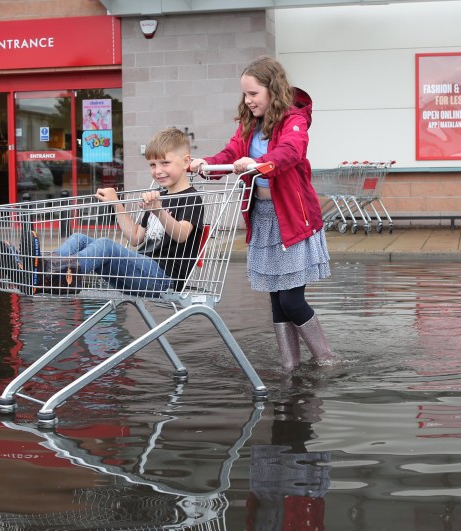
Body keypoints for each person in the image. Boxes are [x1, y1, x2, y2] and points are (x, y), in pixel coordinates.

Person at [189, 56, 336, 369]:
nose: (248, 100)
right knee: (276, 300)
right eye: (245, 94)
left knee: (291, 300)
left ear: (273, 90)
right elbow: (230, 153)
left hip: (293, 218)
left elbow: (291, 151)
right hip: (263, 218)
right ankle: (290, 365)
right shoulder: (249, 125)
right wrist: (206, 163)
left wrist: (260, 162)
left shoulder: (293, 120)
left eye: (253, 93)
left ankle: (326, 358)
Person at [41, 127, 204, 295]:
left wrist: (158, 210)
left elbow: (182, 235)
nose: (158, 171)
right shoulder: (158, 196)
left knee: (105, 245)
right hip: (140, 270)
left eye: (165, 163)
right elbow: (135, 237)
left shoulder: (191, 198)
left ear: (185, 162)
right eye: (152, 165)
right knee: (78, 239)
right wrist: (116, 203)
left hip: (163, 278)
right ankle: (45, 270)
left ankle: (62, 274)